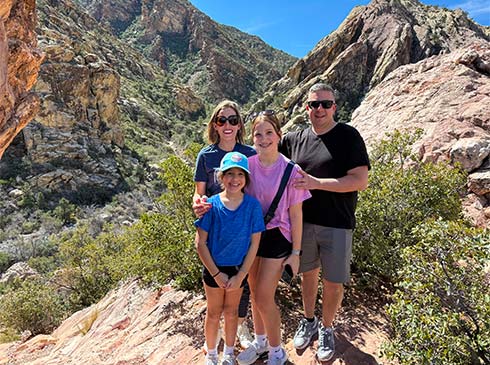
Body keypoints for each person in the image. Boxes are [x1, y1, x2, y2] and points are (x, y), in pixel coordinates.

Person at [279, 82, 370, 362]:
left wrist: (317, 183)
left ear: (334, 106)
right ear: (306, 107)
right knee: (308, 275)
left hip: (338, 223)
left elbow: (360, 180)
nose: (319, 109)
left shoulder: (348, 136)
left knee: (333, 281)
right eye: (314, 104)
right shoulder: (293, 139)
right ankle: (308, 320)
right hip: (302, 222)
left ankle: (327, 327)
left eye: (325, 104)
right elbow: (268, 162)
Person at [236, 111, 311, 365]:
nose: (264, 138)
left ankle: (277, 351)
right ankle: (261, 342)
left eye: (269, 133)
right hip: (253, 235)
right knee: (254, 292)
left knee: (263, 296)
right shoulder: (247, 165)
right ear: (252, 138)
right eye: (258, 134)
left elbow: (296, 214)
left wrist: (296, 252)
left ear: (278, 135)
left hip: (278, 236)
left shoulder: (291, 170)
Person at [194, 100, 256, 349]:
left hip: (242, 227)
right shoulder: (206, 156)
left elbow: (258, 189)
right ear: (215, 125)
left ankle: (240, 325)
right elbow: (198, 192)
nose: (227, 125)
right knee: (214, 274)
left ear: (239, 124)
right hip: (214, 227)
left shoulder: (249, 154)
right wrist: (196, 205)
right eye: (222, 120)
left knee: (243, 278)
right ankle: (216, 327)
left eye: (233, 120)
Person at [195, 151, 265, 365]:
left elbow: (255, 243)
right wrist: (216, 274)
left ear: (246, 178)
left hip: (238, 269)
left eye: (240, 174)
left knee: (232, 312)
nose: (235, 179)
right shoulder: (211, 205)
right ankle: (212, 355)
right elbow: (200, 243)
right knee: (214, 312)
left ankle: (228, 354)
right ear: (221, 177)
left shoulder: (252, 206)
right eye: (229, 174)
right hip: (214, 268)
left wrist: (242, 274)